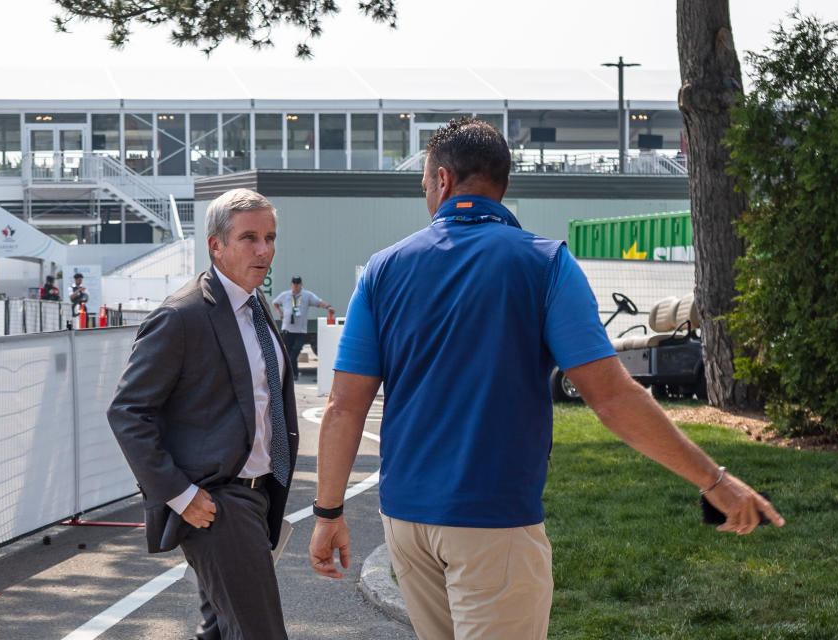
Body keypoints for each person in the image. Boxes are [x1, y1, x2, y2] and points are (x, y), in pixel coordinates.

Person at [308, 118, 784, 640]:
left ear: (442, 181)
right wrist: (713, 480)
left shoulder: (382, 269)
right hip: (494, 522)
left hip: (405, 521)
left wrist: (328, 511)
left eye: (424, 182)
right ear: (504, 185)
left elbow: (343, 407)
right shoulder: (546, 263)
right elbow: (611, 396)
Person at [108, 188, 299, 640]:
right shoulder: (181, 316)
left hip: (259, 497)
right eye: (249, 237)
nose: (264, 249)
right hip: (217, 504)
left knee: (219, 630)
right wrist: (179, 494)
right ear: (216, 245)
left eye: (270, 237)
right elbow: (128, 412)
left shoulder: (257, 306)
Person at [272, 276, 332, 380]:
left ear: (301, 284)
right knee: (287, 353)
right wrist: (279, 313)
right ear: (291, 284)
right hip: (287, 330)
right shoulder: (285, 295)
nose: (296, 285)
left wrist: (328, 307)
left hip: (300, 331)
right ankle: (293, 375)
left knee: (294, 352)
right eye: (294, 283)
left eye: (298, 283)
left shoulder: (306, 295)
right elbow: (275, 303)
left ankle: (292, 374)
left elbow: (318, 301)